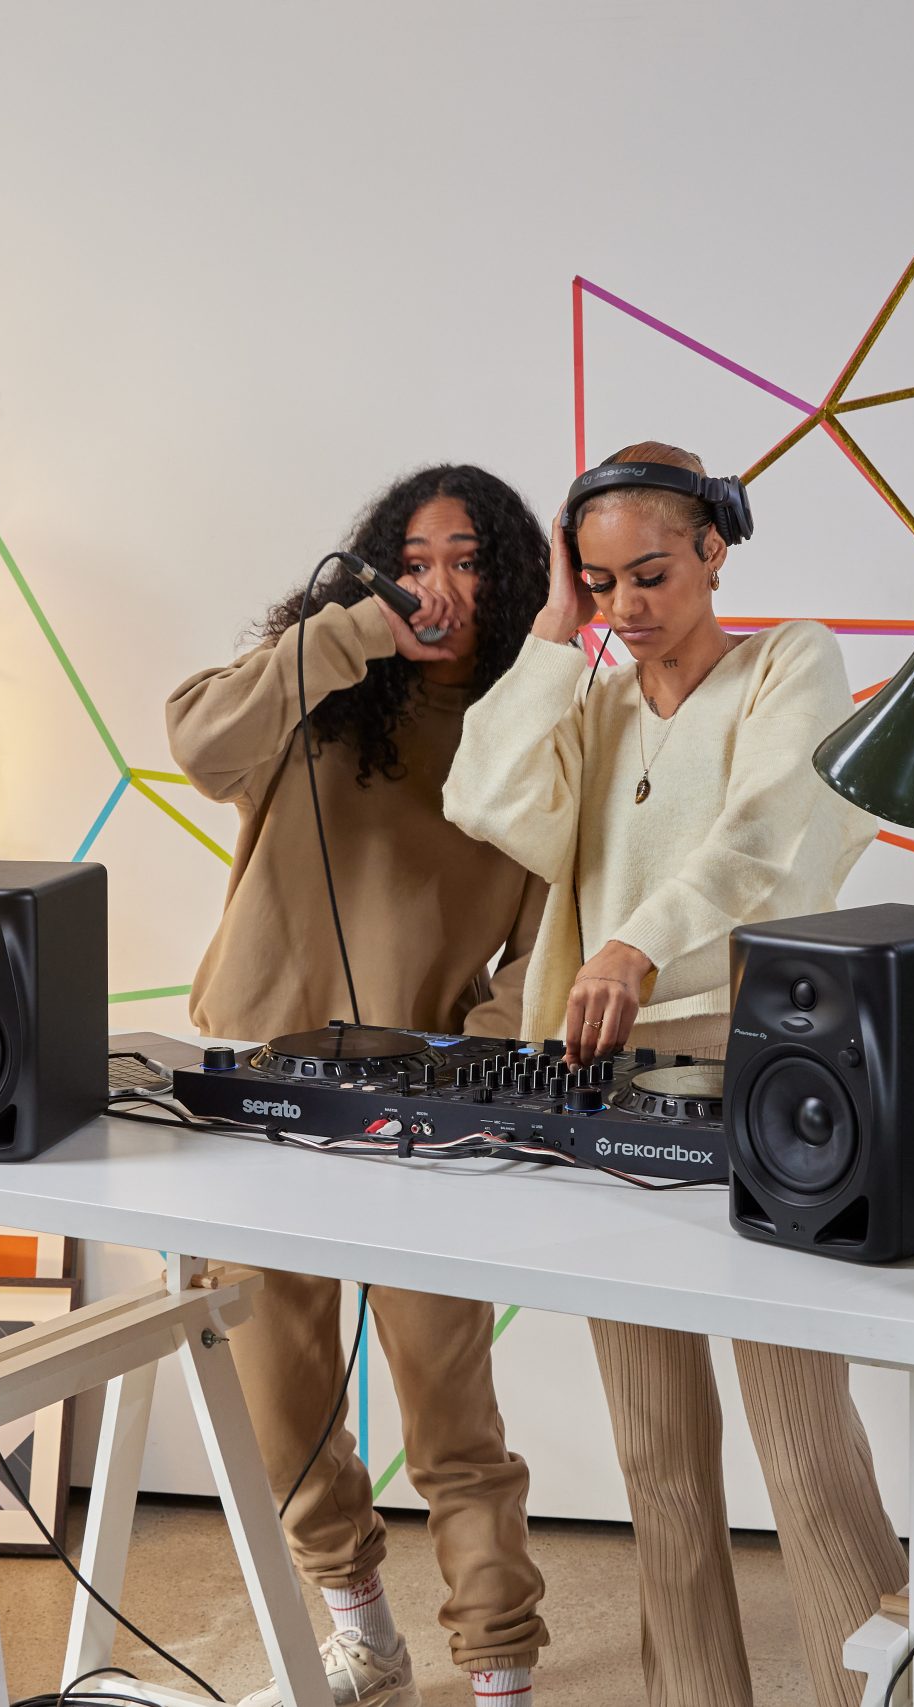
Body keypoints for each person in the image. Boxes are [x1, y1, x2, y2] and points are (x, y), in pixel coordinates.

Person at [443, 443, 908, 1707]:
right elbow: (484, 797)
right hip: (608, 1082)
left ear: (714, 548)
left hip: (774, 1084)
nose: (627, 606)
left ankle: (878, 1698)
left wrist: (633, 946)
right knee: (656, 1456)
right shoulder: (592, 706)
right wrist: (553, 629)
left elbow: (765, 838)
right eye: (600, 583)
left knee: (805, 1452)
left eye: (648, 574)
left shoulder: (790, 664)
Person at [165, 464, 555, 1707]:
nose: (440, 588)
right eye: (417, 561)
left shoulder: (533, 729)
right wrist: (343, 636)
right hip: (258, 1087)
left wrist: (472, 1055)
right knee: (279, 1398)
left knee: (450, 1415)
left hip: (420, 1108)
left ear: (510, 584)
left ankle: (497, 1665)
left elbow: (551, 928)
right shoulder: (315, 686)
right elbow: (197, 743)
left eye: (469, 563)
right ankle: (361, 1633)